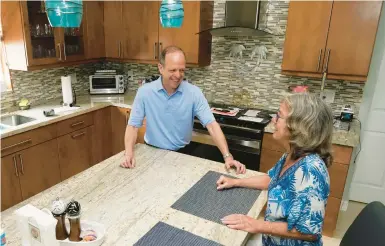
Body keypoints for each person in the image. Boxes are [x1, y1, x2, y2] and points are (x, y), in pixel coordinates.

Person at [217, 93, 333, 246]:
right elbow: (272, 179)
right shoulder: (291, 155)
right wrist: (236, 182)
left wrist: (256, 225)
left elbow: (309, 232)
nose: (273, 120)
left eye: (279, 116)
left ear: (299, 126)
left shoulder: (311, 170)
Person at [121, 45, 245, 174]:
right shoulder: (145, 92)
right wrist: (128, 153)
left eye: (182, 70)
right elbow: (133, 126)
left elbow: (212, 125)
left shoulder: (194, 93)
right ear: (161, 68)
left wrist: (227, 156)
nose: (178, 75)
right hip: (152, 151)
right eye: (173, 70)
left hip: (183, 154)